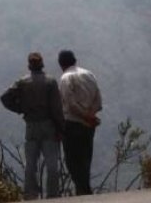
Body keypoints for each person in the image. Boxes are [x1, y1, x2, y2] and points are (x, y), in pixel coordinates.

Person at [0, 52, 65, 200]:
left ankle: (30, 195)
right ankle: (52, 195)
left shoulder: (22, 82)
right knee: (52, 164)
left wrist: (20, 109)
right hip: (48, 126)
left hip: (31, 126)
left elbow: (5, 98)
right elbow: (56, 108)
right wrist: (61, 128)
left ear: (29, 65)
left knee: (30, 164)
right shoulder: (50, 82)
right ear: (42, 64)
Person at [57, 49, 102, 196]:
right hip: (89, 125)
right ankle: (85, 188)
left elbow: (70, 104)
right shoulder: (89, 75)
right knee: (85, 158)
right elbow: (98, 100)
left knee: (72, 160)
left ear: (61, 65)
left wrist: (84, 116)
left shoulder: (65, 78)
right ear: (75, 61)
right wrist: (90, 115)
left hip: (72, 124)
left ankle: (82, 190)